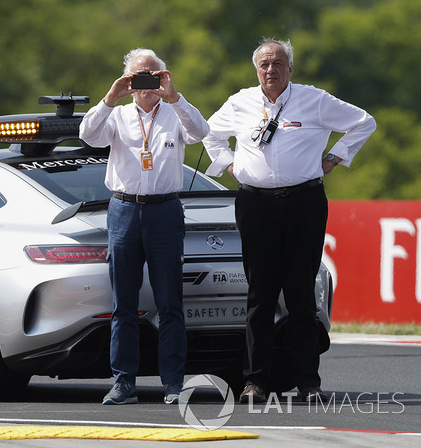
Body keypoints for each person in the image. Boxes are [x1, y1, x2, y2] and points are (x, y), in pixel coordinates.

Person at [202, 38, 376, 404]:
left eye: (278, 63)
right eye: (264, 64)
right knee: (259, 296)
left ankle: (308, 382)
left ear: (290, 69)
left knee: (300, 296)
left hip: (304, 202)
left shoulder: (314, 99)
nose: (271, 70)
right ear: (256, 70)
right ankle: (255, 381)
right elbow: (210, 135)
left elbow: (364, 122)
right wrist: (231, 166)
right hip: (255, 204)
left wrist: (334, 158)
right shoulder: (240, 102)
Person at [79, 48, 210, 405]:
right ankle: (123, 381)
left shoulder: (174, 113)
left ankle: (172, 382)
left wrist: (175, 96)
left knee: (170, 302)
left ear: (163, 77)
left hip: (165, 211)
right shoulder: (118, 116)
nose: (145, 83)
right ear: (128, 81)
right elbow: (88, 135)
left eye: (152, 75)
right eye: (138, 77)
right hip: (123, 209)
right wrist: (110, 97)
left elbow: (201, 132)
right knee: (123, 303)